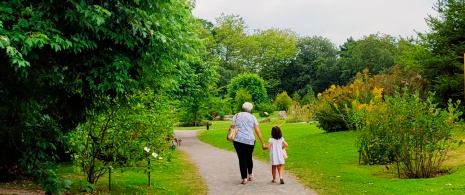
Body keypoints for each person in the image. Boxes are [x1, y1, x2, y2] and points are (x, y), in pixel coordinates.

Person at [230, 102, 266, 184]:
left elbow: (232, 127)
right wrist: (262, 143)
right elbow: (257, 131)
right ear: (250, 109)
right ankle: (250, 173)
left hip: (238, 140)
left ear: (242, 108)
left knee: (242, 158)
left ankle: (244, 178)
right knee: (249, 157)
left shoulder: (236, 116)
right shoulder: (252, 117)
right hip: (250, 140)